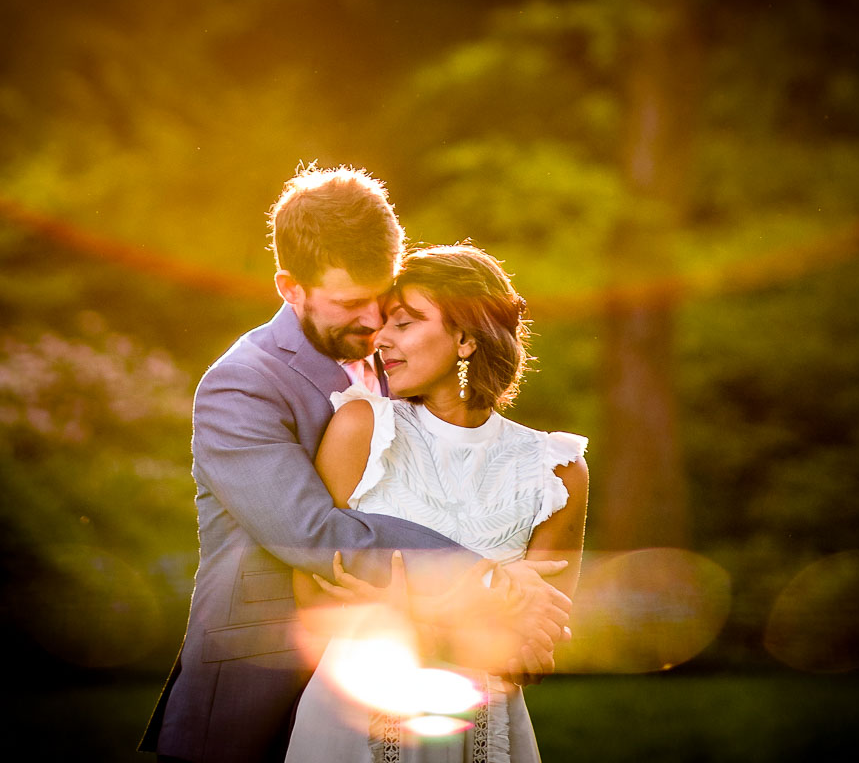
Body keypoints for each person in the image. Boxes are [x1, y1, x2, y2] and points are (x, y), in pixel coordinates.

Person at [142, 167, 571, 763]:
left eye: (384, 296)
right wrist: (484, 576)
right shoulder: (241, 386)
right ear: (291, 288)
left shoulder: (403, 359)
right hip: (264, 682)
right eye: (349, 303)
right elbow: (311, 532)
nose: (373, 321)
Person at [284, 243, 589, 762]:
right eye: (384, 324)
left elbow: (533, 656)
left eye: (404, 323)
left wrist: (402, 608)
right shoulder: (363, 428)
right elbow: (312, 598)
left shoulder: (556, 470)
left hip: (483, 733)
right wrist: (469, 615)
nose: (379, 339)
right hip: (354, 729)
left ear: (466, 339)